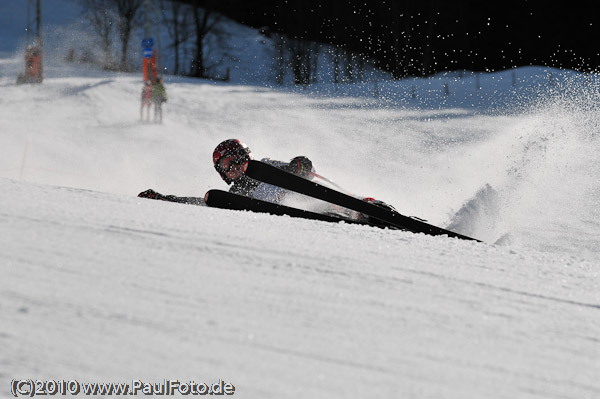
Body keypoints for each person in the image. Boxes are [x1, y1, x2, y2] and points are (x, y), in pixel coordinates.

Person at [138, 139, 314, 205]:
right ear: (221, 173)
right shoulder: (235, 194)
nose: (233, 166)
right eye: (226, 165)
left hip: (310, 198)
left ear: (247, 156)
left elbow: (305, 172)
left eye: (237, 158)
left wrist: (301, 166)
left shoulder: (266, 165)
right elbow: (201, 203)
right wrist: (165, 199)